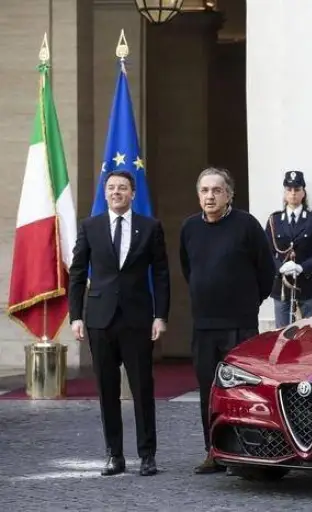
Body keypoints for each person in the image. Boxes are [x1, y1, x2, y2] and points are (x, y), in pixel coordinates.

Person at [69, 170, 170, 477]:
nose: (116, 192)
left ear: (133, 193)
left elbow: (162, 274)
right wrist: (76, 316)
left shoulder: (150, 227)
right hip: (100, 320)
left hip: (137, 319)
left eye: (122, 188)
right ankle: (114, 455)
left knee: (142, 389)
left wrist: (160, 315)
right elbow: (76, 273)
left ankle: (147, 455)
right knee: (107, 390)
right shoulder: (91, 226)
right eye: (111, 187)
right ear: (105, 192)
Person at [179, 167, 276, 474]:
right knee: (209, 391)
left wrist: (248, 304)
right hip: (204, 325)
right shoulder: (189, 228)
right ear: (198, 195)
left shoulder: (247, 225)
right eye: (205, 191)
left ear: (229, 194)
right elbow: (188, 269)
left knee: (243, 392)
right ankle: (214, 452)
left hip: (240, 325)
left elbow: (267, 272)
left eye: (216, 190)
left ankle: (245, 453)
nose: (210, 196)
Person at [265, 170, 312, 328]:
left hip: (308, 284)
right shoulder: (274, 220)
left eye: (297, 189)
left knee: (310, 333)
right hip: (282, 287)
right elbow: (266, 253)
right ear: (284, 193)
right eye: (289, 189)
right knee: (282, 333)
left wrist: (301, 267)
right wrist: (280, 268)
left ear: (303, 193)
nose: (293, 194)